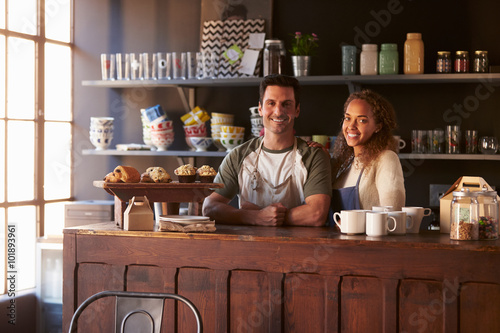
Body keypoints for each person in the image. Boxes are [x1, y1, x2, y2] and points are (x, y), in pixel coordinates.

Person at [202, 74, 332, 226]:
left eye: (287, 104)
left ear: (297, 110)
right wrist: (255, 217)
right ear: (260, 109)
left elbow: (316, 214)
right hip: (248, 247)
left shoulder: (314, 156)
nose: (278, 111)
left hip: (298, 248)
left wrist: (267, 215)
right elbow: (210, 208)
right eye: (271, 103)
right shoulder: (238, 156)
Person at [330, 89, 405, 211]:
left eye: (362, 120)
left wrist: (353, 223)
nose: (351, 126)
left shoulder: (386, 159)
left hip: (364, 231)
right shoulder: (343, 164)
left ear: (378, 126)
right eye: (347, 118)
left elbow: (393, 214)